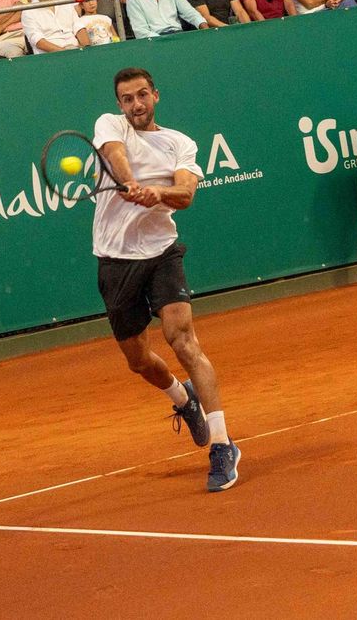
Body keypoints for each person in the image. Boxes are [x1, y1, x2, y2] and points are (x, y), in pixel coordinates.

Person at [92, 67, 240, 491]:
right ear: (120, 104)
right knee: (139, 361)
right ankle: (182, 397)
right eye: (127, 99)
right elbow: (117, 154)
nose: (136, 104)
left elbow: (187, 194)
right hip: (115, 261)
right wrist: (131, 182)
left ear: (156, 95)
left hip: (162, 255)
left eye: (142, 95)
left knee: (184, 341)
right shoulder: (109, 125)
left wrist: (156, 194)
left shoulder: (180, 143)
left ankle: (221, 444)